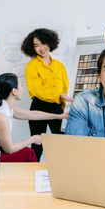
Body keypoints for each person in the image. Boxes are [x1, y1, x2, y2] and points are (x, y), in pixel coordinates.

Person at [0, 73, 67, 162]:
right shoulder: (1, 117)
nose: (23, 88)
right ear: (14, 91)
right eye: (21, 85)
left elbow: (33, 114)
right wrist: (33, 139)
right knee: (29, 153)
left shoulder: (6, 107)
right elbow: (9, 149)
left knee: (28, 152)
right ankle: (33, 182)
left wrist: (59, 116)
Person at [21, 28, 73, 161]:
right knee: (38, 143)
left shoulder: (59, 65)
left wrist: (62, 102)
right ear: (32, 48)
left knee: (60, 140)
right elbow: (36, 90)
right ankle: (33, 171)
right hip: (39, 106)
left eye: (43, 43)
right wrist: (59, 95)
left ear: (50, 43)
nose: (41, 48)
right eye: (36, 46)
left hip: (57, 106)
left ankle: (62, 169)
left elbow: (65, 87)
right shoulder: (31, 66)